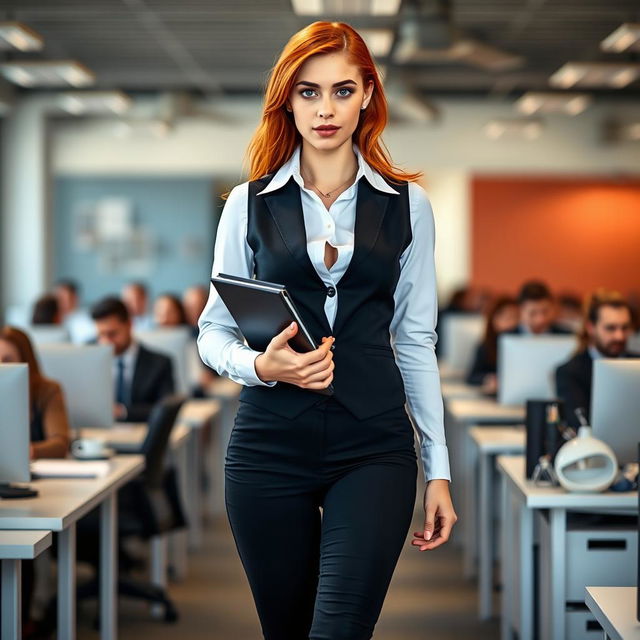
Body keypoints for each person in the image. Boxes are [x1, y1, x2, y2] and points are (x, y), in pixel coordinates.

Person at [197, 21, 455, 639]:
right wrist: (262, 366)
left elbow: (415, 341)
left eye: (342, 90)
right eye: (308, 92)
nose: (325, 109)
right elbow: (213, 331)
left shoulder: (406, 204)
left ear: (368, 93)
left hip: (372, 445)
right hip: (268, 447)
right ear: (287, 99)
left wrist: (438, 468)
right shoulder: (249, 201)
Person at [555, 291, 639, 429]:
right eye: (610, 328)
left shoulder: (638, 364)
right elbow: (580, 426)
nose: (620, 336)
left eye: (625, 328)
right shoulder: (569, 373)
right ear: (591, 328)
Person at [90, 296, 174, 422]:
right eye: (100, 335)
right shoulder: (89, 359)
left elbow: (164, 409)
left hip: (140, 433)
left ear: (129, 325)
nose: (106, 342)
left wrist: (123, 412)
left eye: (112, 334)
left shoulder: (160, 363)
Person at [466, 296, 519, 394]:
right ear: (493, 319)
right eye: (506, 317)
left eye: (515, 317)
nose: (511, 322)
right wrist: (488, 379)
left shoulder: (523, 343)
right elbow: (471, 377)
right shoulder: (486, 346)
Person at [54, 278, 96, 343]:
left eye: (62, 298)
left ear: (75, 297)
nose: (58, 302)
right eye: (56, 298)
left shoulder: (86, 318)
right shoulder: (52, 317)